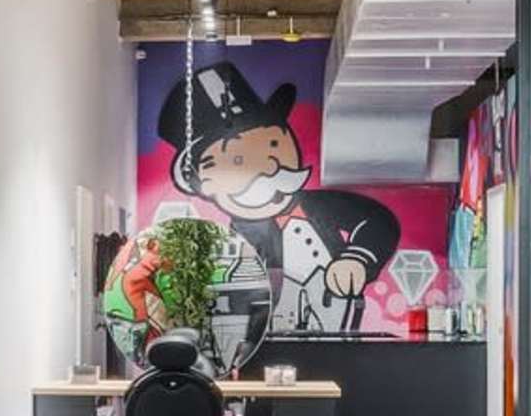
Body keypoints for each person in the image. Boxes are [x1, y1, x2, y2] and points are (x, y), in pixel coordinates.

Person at [157, 61, 399, 334]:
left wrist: (357, 258)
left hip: (338, 332)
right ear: (203, 180)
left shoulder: (320, 206)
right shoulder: (238, 242)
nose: (270, 165)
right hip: (274, 341)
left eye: (273, 144)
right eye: (238, 159)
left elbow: (378, 220)